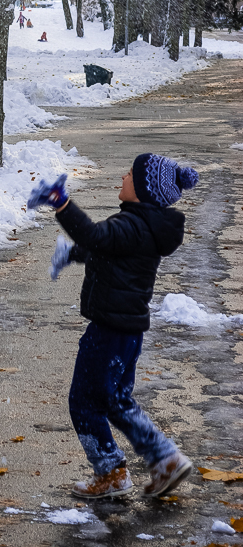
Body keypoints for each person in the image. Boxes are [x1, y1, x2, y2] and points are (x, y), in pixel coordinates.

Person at [28, 154, 198, 499]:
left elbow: (94, 236)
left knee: (84, 402)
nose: (123, 175)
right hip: (127, 332)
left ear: (144, 189)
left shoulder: (130, 226)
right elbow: (104, 249)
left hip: (107, 331)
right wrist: (72, 254)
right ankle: (165, 458)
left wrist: (62, 203)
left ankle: (110, 472)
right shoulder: (143, 226)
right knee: (116, 400)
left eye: (130, 174)